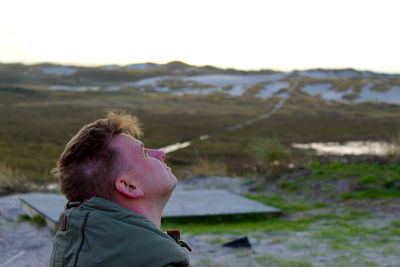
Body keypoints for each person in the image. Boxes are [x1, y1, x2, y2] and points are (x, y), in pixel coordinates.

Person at [50, 111, 190, 267]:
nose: (160, 154)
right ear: (128, 186)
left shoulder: (75, 254)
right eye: (144, 153)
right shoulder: (158, 261)